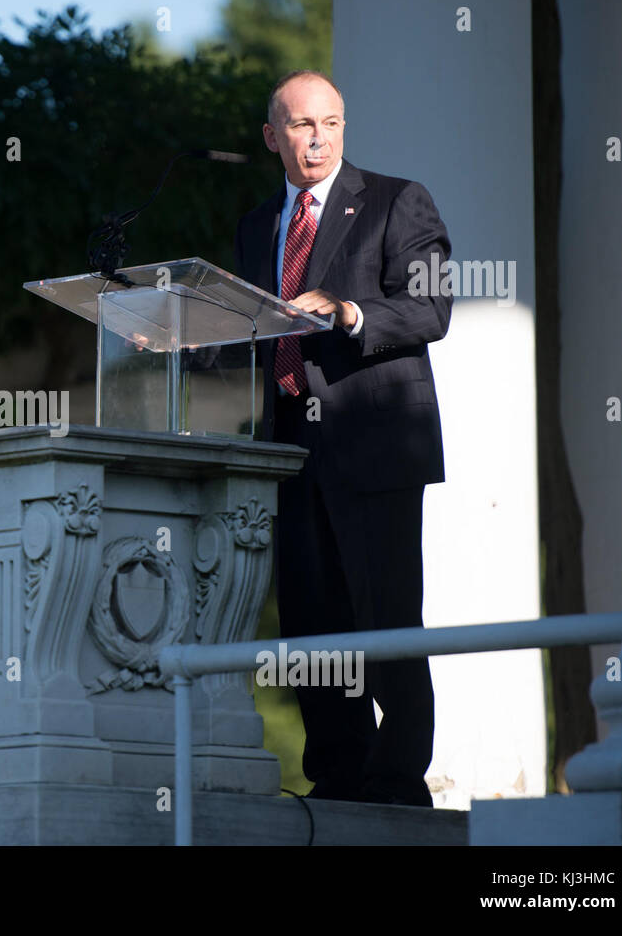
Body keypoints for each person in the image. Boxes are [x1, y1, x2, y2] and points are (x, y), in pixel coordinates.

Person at [233, 70, 452, 807]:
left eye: (330, 122)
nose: (318, 136)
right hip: (290, 455)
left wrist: (350, 311)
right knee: (312, 629)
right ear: (273, 137)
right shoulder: (258, 225)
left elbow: (430, 309)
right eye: (300, 125)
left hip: (375, 448)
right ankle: (337, 778)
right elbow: (249, 334)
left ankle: (397, 783)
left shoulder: (396, 201)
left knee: (385, 616)